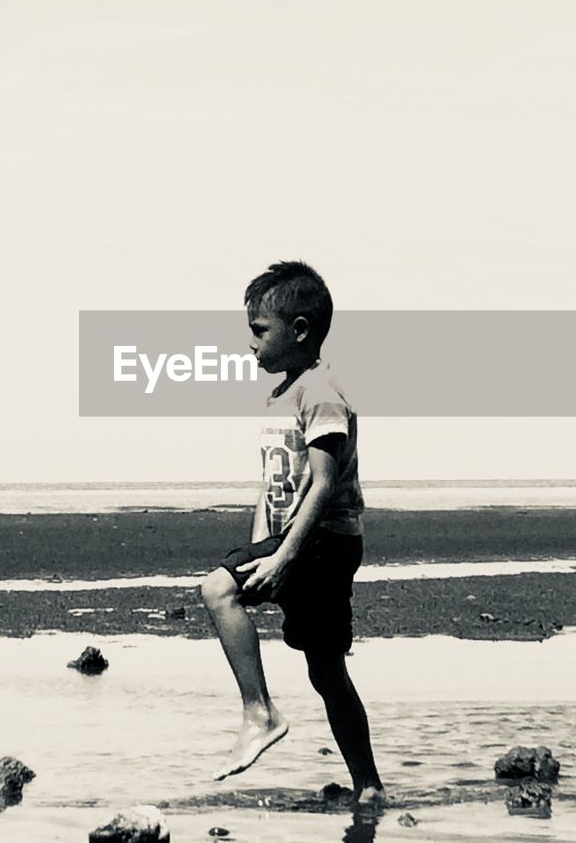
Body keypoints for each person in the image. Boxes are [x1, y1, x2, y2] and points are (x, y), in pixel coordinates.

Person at [200, 261, 384, 807]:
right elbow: (273, 487)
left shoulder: (321, 392)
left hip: (322, 543)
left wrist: (281, 559)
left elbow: (324, 485)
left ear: (299, 330)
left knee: (217, 588)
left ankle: (260, 713)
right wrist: (264, 543)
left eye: (259, 330)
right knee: (327, 670)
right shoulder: (283, 394)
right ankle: (368, 787)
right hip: (298, 541)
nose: (250, 343)